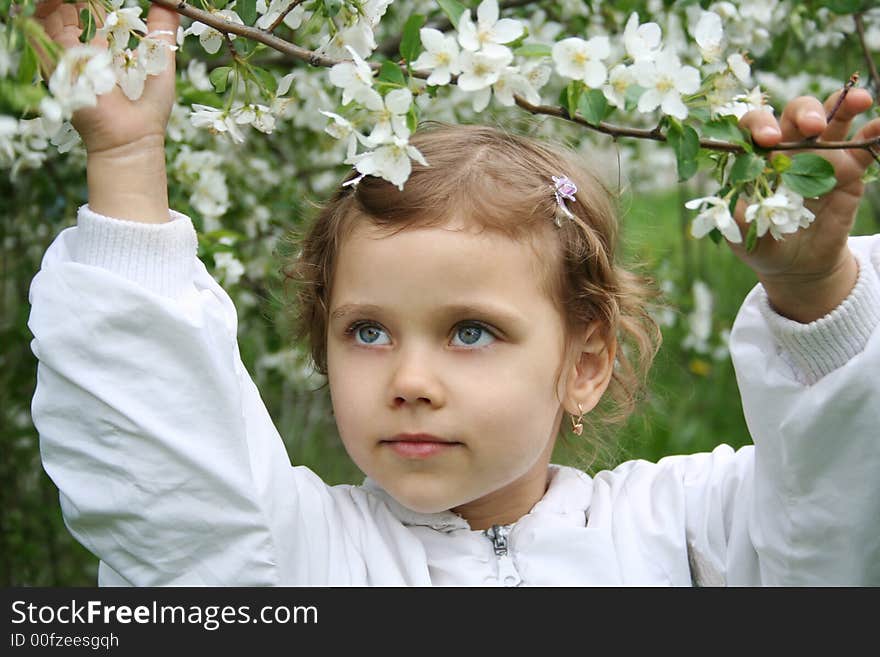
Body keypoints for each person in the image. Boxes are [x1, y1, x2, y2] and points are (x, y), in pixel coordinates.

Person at [28, 3, 879, 586]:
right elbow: (166, 479)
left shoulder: (682, 533)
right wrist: (128, 160)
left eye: (470, 331)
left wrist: (813, 298)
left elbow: (830, 519)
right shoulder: (302, 552)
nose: (410, 378)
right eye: (365, 331)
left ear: (584, 364)